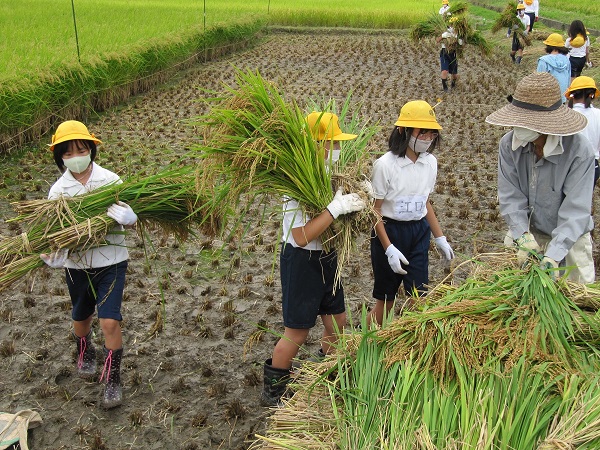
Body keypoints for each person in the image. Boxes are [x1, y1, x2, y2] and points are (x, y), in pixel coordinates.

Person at [260, 112, 366, 407]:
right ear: (315, 146)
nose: (336, 150)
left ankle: (326, 375)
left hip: (328, 258)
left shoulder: (330, 179)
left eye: (337, 143)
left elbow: (348, 217)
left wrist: (362, 199)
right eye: (330, 143)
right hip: (302, 261)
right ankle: (274, 393)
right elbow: (301, 236)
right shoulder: (295, 187)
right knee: (297, 332)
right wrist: (335, 208)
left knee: (338, 323)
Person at [40, 120, 138, 409]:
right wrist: (52, 256)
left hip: (112, 261)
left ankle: (112, 380)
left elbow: (131, 219)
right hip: (77, 265)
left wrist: (131, 219)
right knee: (81, 317)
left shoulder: (111, 181)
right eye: (68, 153)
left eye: (81, 150)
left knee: (109, 320)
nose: (76, 157)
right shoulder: (58, 192)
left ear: (92, 150)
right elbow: (50, 236)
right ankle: (84, 349)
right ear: (60, 158)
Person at [485, 72, 595, 284]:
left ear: (547, 125)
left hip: (569, 238)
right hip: (528, 232)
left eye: (527, 123)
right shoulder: (509, 145)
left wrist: (553, 256)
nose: (519, 128)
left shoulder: (579, 151)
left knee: (575, 307)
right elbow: (510, 196)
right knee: (513, 299)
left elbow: (575, 211)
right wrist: (523, 237)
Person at [368, 101, 454, 326]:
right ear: (403, 131)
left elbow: (425, 202)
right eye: (421, 132)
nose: (427, 138)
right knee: (385, 303)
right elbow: (374, 211)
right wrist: (389, 249)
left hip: (418, 233)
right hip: (389, 230)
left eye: (431, 133)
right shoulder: (385, 165)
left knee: (419, 298)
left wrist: (440, 237)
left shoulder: (430, 163)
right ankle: (360, 340)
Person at [565, 76, 600, 187]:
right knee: (584, 202)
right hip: (591, 166)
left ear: (572, 94)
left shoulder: (565, 115)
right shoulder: (598, 115)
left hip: (567, 166)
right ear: (592, 95)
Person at [537, 33, 571, 103]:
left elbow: (539, 79)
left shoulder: (543, 61)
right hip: (562, 96)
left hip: (548, 98)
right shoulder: (566, 60)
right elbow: (568, 78)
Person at [436, 18, 463, 91]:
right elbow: (437, 40)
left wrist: (459, 41)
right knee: (444, 71)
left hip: (453, 54)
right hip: (444, 53)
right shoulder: (445, 33)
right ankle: (445, 88)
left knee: (454, 74)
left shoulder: (458, 35)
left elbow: (461, 46)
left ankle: (453, 85)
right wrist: (443, 36)